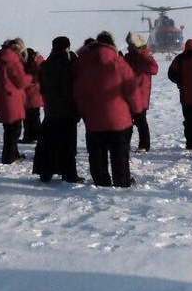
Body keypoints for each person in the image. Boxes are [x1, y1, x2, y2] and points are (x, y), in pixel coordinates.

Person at [74, 31, 138, 187]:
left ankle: (101, 182)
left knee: (97, 155)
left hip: (94, 120)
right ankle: (122, 181)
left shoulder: (83, 65)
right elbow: (132, 89)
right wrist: (135, 110)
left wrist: (85, 113)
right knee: (120, 154)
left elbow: (78, 93)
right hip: (119, 119)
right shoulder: (119, 63)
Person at [34, 36, 83, 183]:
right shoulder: (69, 64)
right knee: (68, 145)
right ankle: (69, 174)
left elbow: (42, 86)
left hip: (50, 109)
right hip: (67, 111)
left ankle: (45, 171)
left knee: (48, 143)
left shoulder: (46, 65)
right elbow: (71, 87)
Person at [0, 38, 29, 164]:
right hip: (12, 98)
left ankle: (12, 154)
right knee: (14, 129)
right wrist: (30, 78)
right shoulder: (12, 61)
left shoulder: (0, 60)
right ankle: (9, 156)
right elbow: (20, 81)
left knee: (9, 128)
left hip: (3, 97)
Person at [124, 32, 158, 152]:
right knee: (126, 122)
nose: (128, 47)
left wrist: (142, 55)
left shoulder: (146, 58)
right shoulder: (127, 57)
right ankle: (125, 144)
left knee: (141, 122)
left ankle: (144, 145)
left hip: (140, 97)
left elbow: (154, 69)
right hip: (127, 95)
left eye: (131, 45)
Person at [22, 47, 45, 144]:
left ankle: (29, 136)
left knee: (29, 118)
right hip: (36, 93)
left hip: (29, 93)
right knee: (35, 117)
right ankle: (35, 136)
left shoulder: (28, 64)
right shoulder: (39, 63)